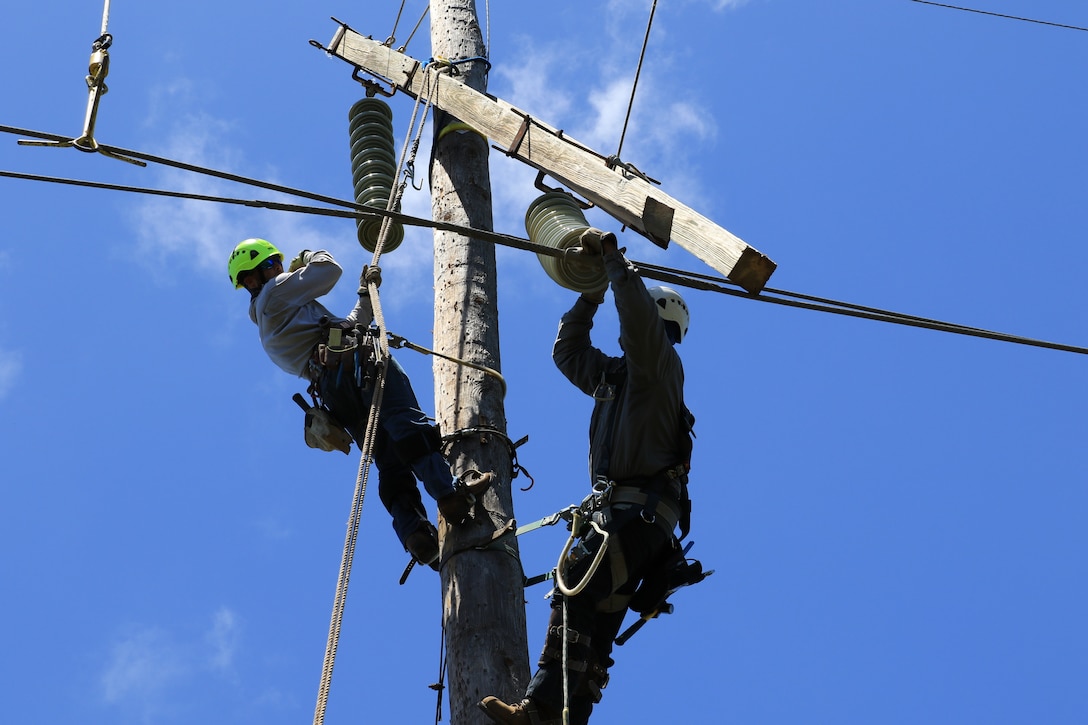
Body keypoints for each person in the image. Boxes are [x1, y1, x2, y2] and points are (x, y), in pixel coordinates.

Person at [480, 229, 695, 725]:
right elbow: (567, 353)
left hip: (635, 514)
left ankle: (538, 710)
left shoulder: (660, 370)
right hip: (630, 517)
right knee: (593, 626)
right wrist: (591, 292)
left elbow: (639, 321)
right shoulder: (617, 380)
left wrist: (615, 265)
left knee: (577, 585)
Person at [227, 238, 491, 570]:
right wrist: (306, 258)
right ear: (259, 275)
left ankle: (417, 537)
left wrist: (365, 295)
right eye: (272, 267)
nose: (279, 271)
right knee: (405, 422)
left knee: (389, 460)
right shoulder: (277, 292)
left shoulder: (272, 320)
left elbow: (347, 328)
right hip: (358, 364)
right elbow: (328, 269)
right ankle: (449, 496)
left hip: (335, 389)